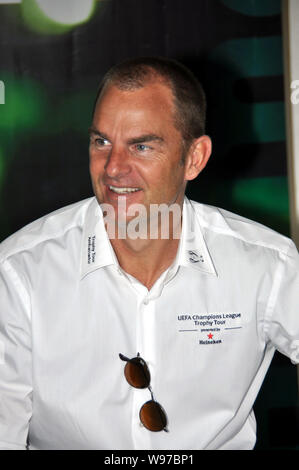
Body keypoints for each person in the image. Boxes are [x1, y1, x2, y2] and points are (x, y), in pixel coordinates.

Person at [0, 56, 298, 450]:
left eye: (141, 146)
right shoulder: (21, 270)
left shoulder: (265, 264)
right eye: (101, 141)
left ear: (194, 158)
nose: (113, 168)